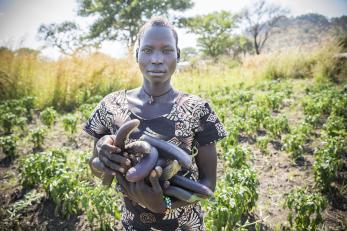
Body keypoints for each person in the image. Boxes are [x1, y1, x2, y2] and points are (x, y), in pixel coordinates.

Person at [83, 16, 227, 231]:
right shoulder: (110, 105)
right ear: (137, 55)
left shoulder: (198, 109)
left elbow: (207, 186)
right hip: (133, 226)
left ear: (178, 55)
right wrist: (102, 155)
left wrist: (164, 205)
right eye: (148, 50)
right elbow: (96, 168)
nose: (157, 59)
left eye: (167, 50)